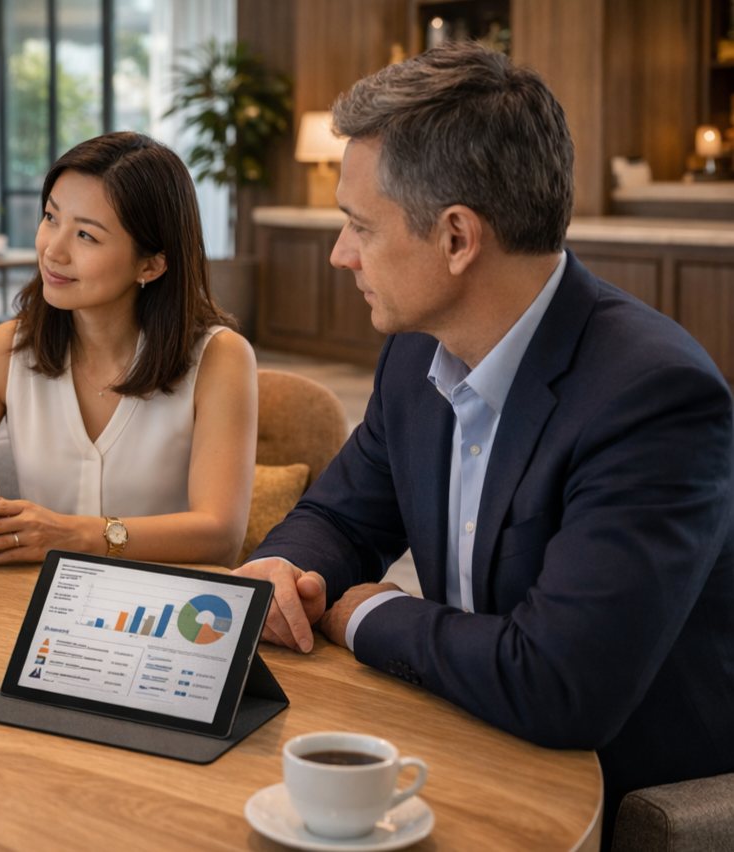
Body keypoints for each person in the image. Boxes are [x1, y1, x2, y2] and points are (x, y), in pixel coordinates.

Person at [235, 42, 734, 840]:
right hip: (463, 734)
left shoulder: (652, 397)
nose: (340, 254)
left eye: (359, 226)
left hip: (619, 802)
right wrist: (287, 568)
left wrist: (362, 614)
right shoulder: (415, 350)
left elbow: (559, 685)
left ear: (457, 238)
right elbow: (342, 516)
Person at [0, 132, 257, 566]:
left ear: (151, 264)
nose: (53, 250)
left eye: (86, 235)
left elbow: (220, 535)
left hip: (164, 614)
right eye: (51, 218)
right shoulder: (9, 349)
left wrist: (76, 535)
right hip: (35, 605)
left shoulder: (220, 359)